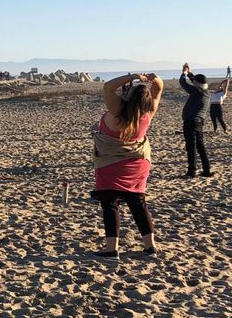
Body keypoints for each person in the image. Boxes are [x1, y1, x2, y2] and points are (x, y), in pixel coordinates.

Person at [90, 72, 164, 257]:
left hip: (110, 161)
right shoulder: (148, 113)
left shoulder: (117, 111)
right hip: (138, 161)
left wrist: (132, 76)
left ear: (128, 96)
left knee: (110, 203)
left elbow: (108, 87)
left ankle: (111, 248)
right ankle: (150, 246)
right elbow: (159, 88)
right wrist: (154, 80)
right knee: (138, 202)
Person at [180, 64, 213, 177]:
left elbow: (183, 83)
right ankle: (206, 169)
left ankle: (192, 171)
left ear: (197, 84)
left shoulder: (197, 91)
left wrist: (184, 73)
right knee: (200, 146)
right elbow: (195, 81)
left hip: (191, 122)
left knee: (191, 147)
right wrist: (189, 73)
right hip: (199, 122)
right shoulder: (206, 93)